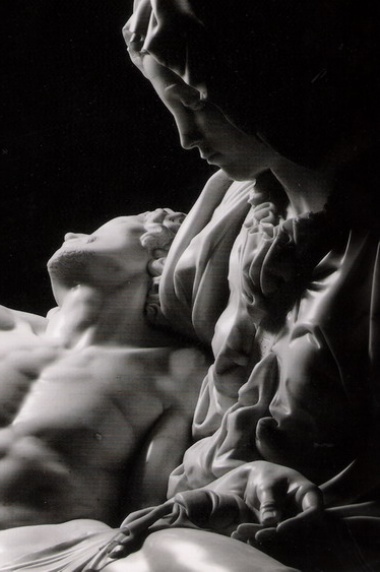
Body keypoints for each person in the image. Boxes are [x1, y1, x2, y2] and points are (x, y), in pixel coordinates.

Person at [87, 1, 380, 571]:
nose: (185, 137)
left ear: (259, 78)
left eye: (196, 102)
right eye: (170, 105)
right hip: (208, 513)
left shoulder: (366, 250)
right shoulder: (228, 216)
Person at [0, 208, 210, 571]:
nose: (71, 233)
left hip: (64, 555)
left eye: (101, 228)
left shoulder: (176, 369)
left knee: (189, 553)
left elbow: (144, 509)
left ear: (161, 254)